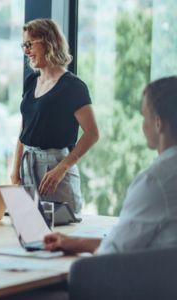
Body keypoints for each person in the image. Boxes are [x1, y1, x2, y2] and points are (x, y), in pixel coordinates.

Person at [44, 76, 177, 254]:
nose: (143, 126)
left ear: (158, 123)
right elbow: (127, 244)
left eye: (144, 118)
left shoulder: (155, 182)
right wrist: (74, 242)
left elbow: (114, 252)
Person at [10, 19, 99, 213]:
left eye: (30, 44)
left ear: (48, 42)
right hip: (28, 163)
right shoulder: (31, 81)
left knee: (64, 229)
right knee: (28, 229)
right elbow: (24, 128)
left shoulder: (73, 87)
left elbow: (92, 133)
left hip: (55, 166)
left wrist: (62, 168)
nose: (26, 51)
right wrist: (15, 169)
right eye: (24, 45)